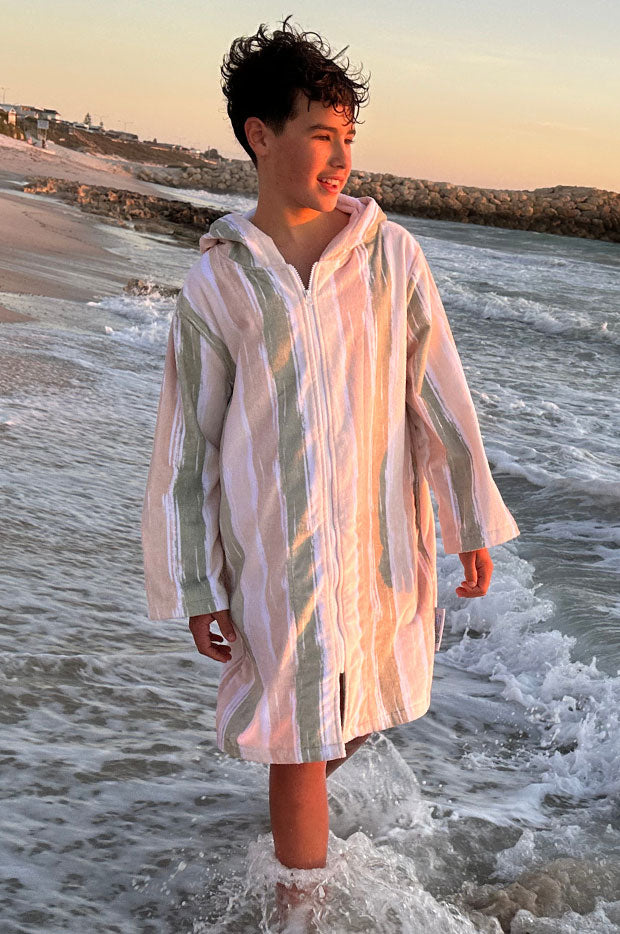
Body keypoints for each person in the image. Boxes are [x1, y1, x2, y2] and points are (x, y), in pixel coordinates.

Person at [141, 13, 520, 884]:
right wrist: (197, 582)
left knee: (355, 712)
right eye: (321, 134)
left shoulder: (390, 258)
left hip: (378, 541)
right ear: (260, 135)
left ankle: (290, 827)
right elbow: (188, 446)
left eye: (349, 137)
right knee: (300, 736)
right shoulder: (220, 281)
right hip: (276, 553)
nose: (342, 156)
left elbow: (439, 394)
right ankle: (298, 906)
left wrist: (468, 520)